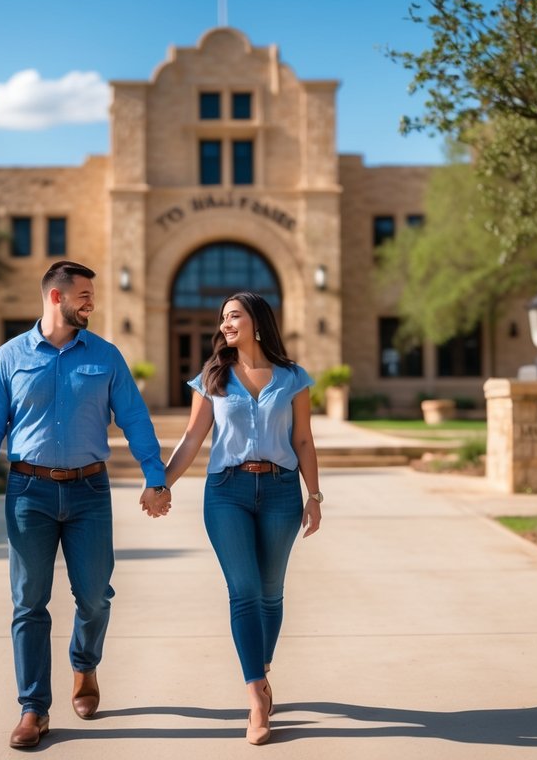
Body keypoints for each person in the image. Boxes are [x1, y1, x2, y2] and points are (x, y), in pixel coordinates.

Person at [0, 260, 172, 750]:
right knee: (29, 604)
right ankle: (33, 708)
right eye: (83, 295)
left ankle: (84, 665)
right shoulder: (9, 357)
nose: (91, 304)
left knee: (96, 596)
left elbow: (136, 420)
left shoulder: (105, 356)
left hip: (89, 493)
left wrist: (155, 476)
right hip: (28, 493)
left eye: (92, 296)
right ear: (55, 297)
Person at [161, 291, 323, 745]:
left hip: (279, 492)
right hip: (226, 492)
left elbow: (304, 441)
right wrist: (163, 483)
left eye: (234, 316)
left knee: (271, 593)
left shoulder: (292, 378)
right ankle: (256, 697)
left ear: (256, 321)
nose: (226, 324)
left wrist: (315, 495)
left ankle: (261, 667)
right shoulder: (212, 376)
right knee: (245, 592)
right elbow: (193, 438)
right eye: (223, 318)